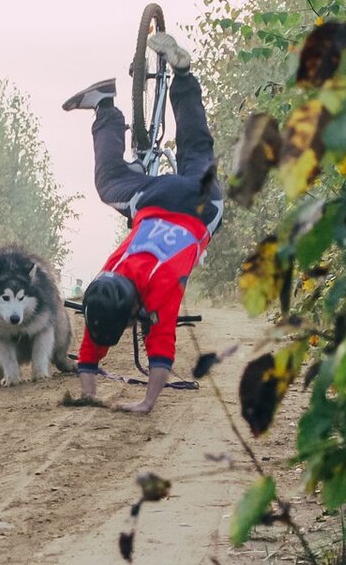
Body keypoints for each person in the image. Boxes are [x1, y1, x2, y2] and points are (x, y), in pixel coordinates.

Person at [61, 31, 223, 413]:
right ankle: (105, 107)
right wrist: (90, 397)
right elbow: (104, 334)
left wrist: (146, 403)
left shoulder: (149, 286)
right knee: (110, 181)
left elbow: (160, 352)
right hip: (155, 198)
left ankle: (183, 77)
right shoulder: (109, 274)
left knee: (197, 146)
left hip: (202, 206)